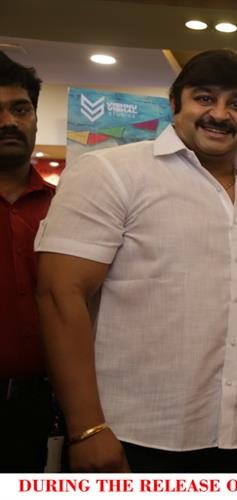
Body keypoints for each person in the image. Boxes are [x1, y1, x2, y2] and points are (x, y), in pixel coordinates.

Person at [35, 49, 237, 472]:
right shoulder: (112, 172)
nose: (219, 114)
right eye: (204, 98)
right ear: (174, 103)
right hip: (129, 436)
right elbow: (59, 295)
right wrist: (87, 428)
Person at [0, 51, 55, 472]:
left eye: (20, 109)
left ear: (35, 118)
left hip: (41, 406)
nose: (8, 122)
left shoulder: (66, 208)